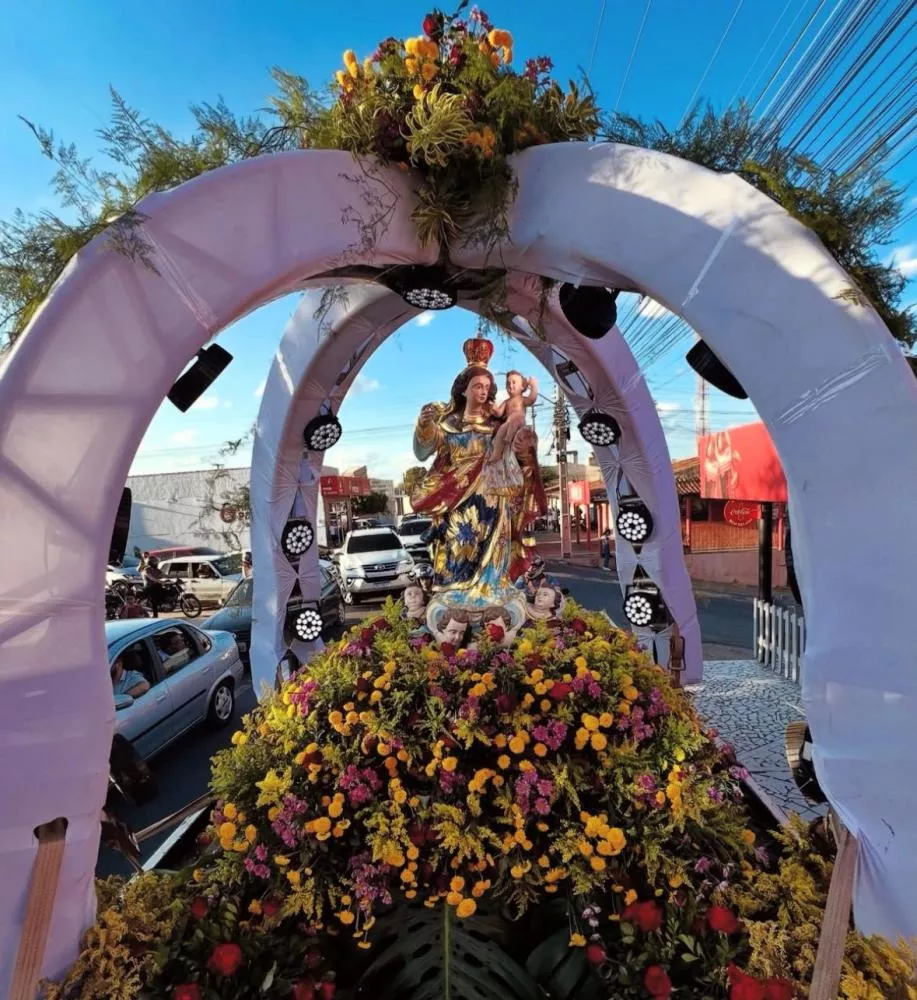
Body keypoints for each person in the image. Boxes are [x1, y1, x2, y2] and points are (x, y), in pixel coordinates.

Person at [487, 371, 538, 466]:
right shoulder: (506, 402)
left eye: (514, 382)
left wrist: (534, 386)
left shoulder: (522, 399)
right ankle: (496, 453)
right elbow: (499, 413)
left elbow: (532, 399)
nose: (510, 385)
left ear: (522, 386)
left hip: (519, 423)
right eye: (508, 383)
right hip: (508, 423)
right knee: (501, 431)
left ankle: (508, 438)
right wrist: (493, 408)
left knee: (516, 417)